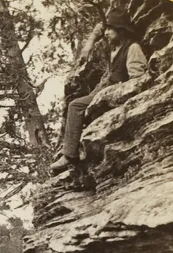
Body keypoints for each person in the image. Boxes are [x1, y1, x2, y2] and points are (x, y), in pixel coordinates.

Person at [50, 9, 148, 174]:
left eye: (111, 29)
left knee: (75, 106)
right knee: (81, 104)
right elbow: (100, 27)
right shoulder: (116, 47)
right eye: (106, 29)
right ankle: (74, 147)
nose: (106, 33)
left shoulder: (132, 48)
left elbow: (137, 79)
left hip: (116, 95)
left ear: (121, 30)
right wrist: (88, 45)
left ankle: (70, 155)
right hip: (105, 92)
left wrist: (115, 92)